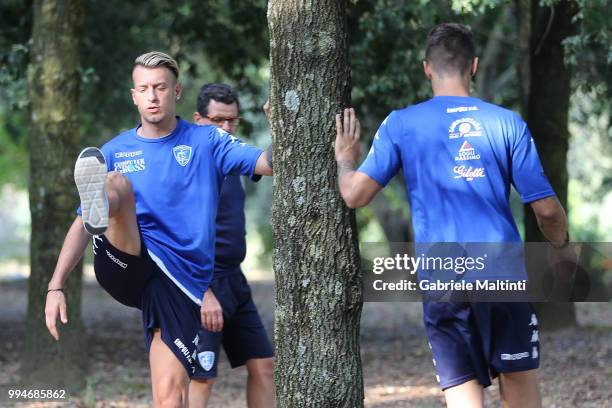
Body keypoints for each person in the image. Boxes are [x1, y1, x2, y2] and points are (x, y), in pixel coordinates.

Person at [334, 23, 574, 408]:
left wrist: (346, 158)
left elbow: (354, 195)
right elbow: (546, 208)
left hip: (443, 280)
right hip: (503, 276)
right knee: (520, 385)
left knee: (463, 395)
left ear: (427, 68)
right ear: (474, 66)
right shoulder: (506, 123)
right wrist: (562, 245)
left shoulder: (401, 123)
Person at [44, 51, 272, 408]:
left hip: (177, 283)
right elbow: (80, 224)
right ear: (134, 95)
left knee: (170, 398)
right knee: (115, 183)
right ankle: (105, 201)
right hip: (125, 262)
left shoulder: (208, 141)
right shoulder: (115, 150)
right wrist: (56, 285)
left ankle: (108, 202)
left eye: (160, 87)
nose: (152, 96)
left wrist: (286, 125)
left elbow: (267, 163)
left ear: (176, 91)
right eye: (144, 88)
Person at [189, 83, 274, 407]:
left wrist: (275, 121)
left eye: (232, 121)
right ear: (199, 120)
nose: (226, 128)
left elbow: (270, 162)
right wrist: (203, 291)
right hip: (204, 282)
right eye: (218, 120)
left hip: (235, 281)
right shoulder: (190, 164)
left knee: (264, 365)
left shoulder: (234, 156)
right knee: (202, 376)